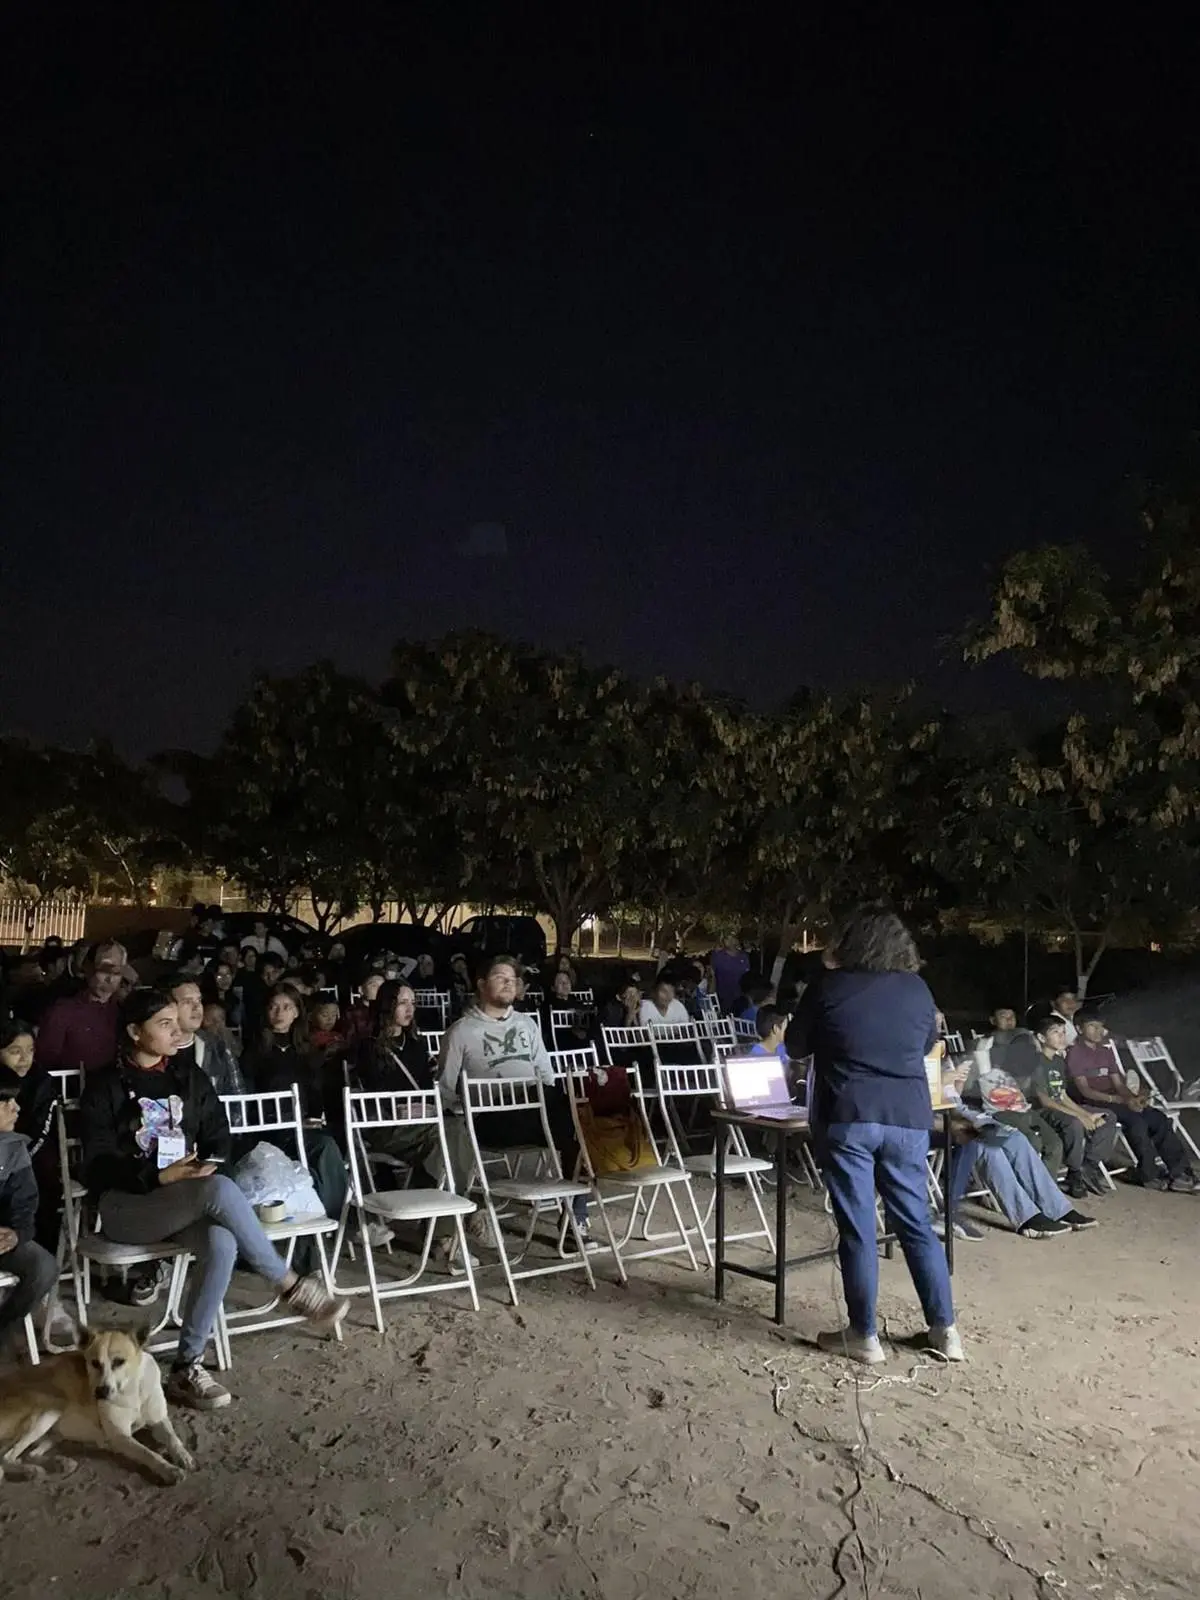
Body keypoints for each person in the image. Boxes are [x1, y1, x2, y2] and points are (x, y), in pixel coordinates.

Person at [79, 988, 348, 1409]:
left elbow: (220, 1134)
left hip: (187, 1199)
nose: (176, 1030)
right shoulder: (105, 1084)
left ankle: (186, 1366)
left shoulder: (187, 1076)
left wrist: (207, 1161)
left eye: (175, 1021)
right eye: (163, 1024)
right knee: (220, 1189)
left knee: (221, 1242)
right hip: (126, 1206)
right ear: (134, 1031)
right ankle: (288, 1283)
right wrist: (157, 1174)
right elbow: (94, 1164)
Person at [784, 908, 963, 1365]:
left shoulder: (829, 987)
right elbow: (925, 1046)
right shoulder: (918, 989)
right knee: (916, 1224)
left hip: (850, 1114)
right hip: (908, 1117)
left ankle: (863, 1335)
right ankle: (945, 1330)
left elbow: (796, 1046)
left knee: (859, 1228)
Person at [438, 957, 590, 1241]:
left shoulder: (527, 1025)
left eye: (513, 978)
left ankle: (575, 1217)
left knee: (581, 1125)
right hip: (492, 1122)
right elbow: (445, 1089)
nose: (509, 982)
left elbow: (546, 1075)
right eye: (500, 977)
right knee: (574, 1116)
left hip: (535, 1113)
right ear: (481, 985)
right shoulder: (461, 1031)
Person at [349, 981, 475, 1263]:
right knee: (449, 1138)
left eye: (413, 1003)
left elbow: (426, 1087)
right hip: (387, 1126)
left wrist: (428, 1104)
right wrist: (407, 1105)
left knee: (449, 1139)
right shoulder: (369, 1048)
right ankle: (443, 1231)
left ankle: (438, 1230)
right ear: (387, 1005)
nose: (409, 1009)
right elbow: (375, 1094)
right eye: (402, 1002)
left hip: (422, 1124)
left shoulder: (415, 1045)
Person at [239, 986, 349, 1225]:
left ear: (297, 1012)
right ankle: (344, 1221)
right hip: (270, 1130)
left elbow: (315, 1090)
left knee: (335, 1144)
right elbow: (248, 1095)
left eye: (287, 1007)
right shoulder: (255, 1050)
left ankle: (336, 1217)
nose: (280, 1013)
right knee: (324, 1148)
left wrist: (315, 1115)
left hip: (304, 1126)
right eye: (274, 1007)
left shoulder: (306, 1050)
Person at [1066, 1014, 1198, 1192]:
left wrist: (1131, 1098)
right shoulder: (1075, 1053)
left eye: (1100, 1026)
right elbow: (1085, 1090)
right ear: (1079, 1028)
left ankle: (1181, 1173)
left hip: (1115, 1099)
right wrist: (1120, 1100)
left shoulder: (1105, 1051)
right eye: (1092, 1026)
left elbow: (1119, 1084)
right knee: (1136, 1121)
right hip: (1092, 1101)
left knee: (1158, 1118)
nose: (1098, 1031)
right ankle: (1148, 1174)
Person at [945, 1106, 1098, 1240]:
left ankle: (1057, 1209)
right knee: (989, 1149)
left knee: (1016, 1138)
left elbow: (953, 1101)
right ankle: (1026, 1217)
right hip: (937, 1125)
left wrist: (955, 1083)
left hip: (962, 1118)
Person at [964, 1007, 1065, 1176]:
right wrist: (981, 1064)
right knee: (1032, 1141)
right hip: (999, 1111)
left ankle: (1046, 1188)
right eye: (1004, 1016)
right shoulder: (982, 1050)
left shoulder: (1022, 1051)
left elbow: (1026, 1084)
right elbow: (969, 1088)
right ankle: (1026, 1185)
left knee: (1054, 1144)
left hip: (1023, 1108)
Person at [0, 1083, 60, 1360]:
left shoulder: (14, 1149)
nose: (17, 1108)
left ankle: (2, 1330)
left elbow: (25, 1203)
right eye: (5, 1103)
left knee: (43, 1267)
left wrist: (17, 1233)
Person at [1030, 1019, 1118, 1197]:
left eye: (1063, 1032)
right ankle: (1074, 1173)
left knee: (1108, 1116)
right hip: (1041, 1111)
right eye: (1056, 1032)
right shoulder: (1036, 1062)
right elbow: (1046, 1101)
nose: (1062, 1037)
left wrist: (1086, 1114)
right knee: (1074, 1123)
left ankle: (1089, 1165)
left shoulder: (1058, 1061)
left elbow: (1062, 1096)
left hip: (1059, 1106)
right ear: (1041, 1037)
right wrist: (1080, 1117)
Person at [35, 941, 127, 1074]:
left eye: (117, 973)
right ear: (87, 969)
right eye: (103, 971)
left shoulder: (123, 1010)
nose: (110, 979)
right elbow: (46, 1060)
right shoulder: (62, 1011)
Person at [166, 977, 245, 1097]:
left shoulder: (217, 1047)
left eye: (199, 1000)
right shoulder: (155, 1050)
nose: (196, 1007)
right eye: (187, 1002)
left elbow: (237, 1096)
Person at [710, 935, 750, 1015]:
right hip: (723, 996)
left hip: (740, 996)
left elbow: (747, 976)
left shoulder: (744, 957)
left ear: (736, 940)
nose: (728, 941)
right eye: (726, 938)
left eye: (731, 938)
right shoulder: (717, 955)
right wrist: (711, 993)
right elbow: (712, 975)